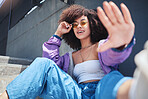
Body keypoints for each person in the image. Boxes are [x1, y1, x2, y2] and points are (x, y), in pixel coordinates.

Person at [0, 1, 135, 99]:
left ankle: (137, 88)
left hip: (102, 89)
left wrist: (120, 44)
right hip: (77, 93)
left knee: (111, 79)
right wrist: (58, 34)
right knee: (42, 63)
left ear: (91, 24)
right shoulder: (70, 57)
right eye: (75, 25)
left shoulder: (101, 46)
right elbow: (48, 67)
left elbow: (111, 55)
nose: (78, 27)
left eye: (83, 22)